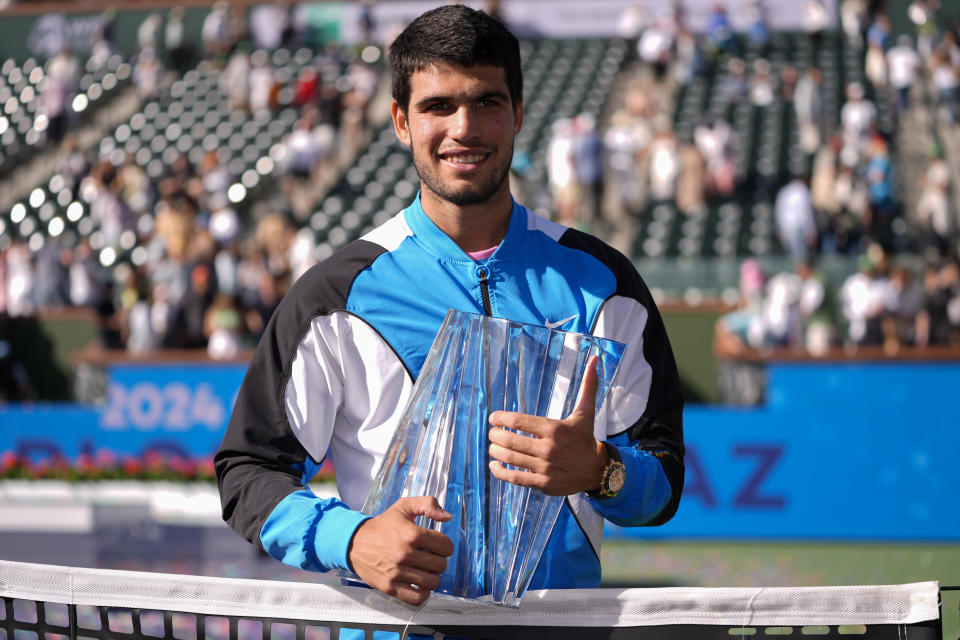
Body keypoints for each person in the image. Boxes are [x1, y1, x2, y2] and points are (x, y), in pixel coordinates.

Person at [215, 5, 684, 609]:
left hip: (560, 631)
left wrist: (602, 472)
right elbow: (248, 472)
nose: (464, 128)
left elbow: (663, 480)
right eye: (438, 106)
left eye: (487, 102)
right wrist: (352, 539)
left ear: (518, 114)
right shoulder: (335, 294)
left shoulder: (603, 281)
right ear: (401, 122)